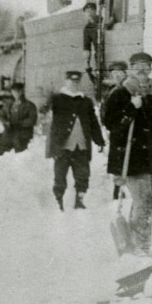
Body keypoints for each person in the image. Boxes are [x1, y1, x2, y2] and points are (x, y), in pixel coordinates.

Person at [104, 52, 152, 254]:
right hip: (131, 159)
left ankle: (136, 243)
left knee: (147, 202)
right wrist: (130, 109)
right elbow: (111, 124)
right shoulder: (120, 94)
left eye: (146, 67)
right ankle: (141, 248)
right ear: (131, 70)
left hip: (151, 159)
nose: (142, 71)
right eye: (138, 67)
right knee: (143, 202)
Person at [46, 70, 105, 211]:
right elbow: (49, 121)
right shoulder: (58, 100)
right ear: (66, 81)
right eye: (71, 81)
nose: (74, 84)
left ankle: (80, 199)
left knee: (83, 175)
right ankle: (58, 200)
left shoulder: (86, 101)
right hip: (63, 147)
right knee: (60, 176)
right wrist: (52, 147)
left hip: (81, 146)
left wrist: (99, 141)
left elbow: (93, 123)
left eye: (77, 81)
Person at [101, 60, 129, 200]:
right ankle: (118, 190)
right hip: (118, 133)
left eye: (120, 72)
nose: (117, 75)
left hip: (130, 131)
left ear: (125, 73)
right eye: (114, 73)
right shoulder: (111, 92)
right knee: (118, 163)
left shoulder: (129, 89)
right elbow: (107, 116)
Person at [0, 82, 38, 153]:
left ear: (22, 91)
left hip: (23, 133)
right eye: (14, 91)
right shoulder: (9, 104)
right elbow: (2, 115)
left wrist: (19, 123)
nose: (16, 93)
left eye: (18, 91)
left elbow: (32, 120)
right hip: (10, 131)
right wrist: (6, 122)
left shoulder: (29, 105)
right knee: (1, 145)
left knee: (19, 148)